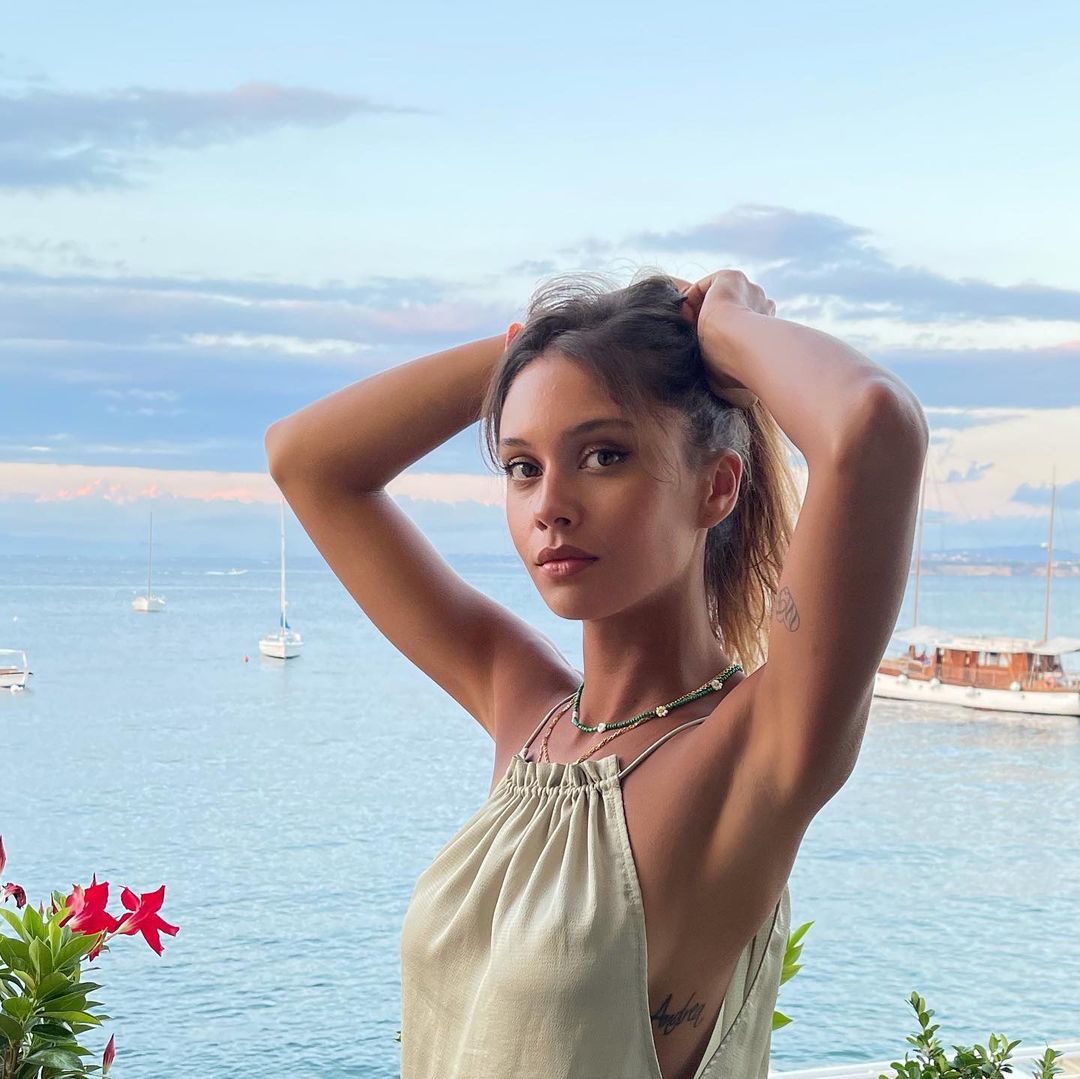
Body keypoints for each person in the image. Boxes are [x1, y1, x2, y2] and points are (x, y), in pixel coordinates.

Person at [264, 268, 928, 1078]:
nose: (550, 503)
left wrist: (724, 327)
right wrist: (531, 354)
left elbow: (873, 425)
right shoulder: (527, 709)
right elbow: (304, 460)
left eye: (603, 455)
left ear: (717, 485)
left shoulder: (754, 752)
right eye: (522, 466)